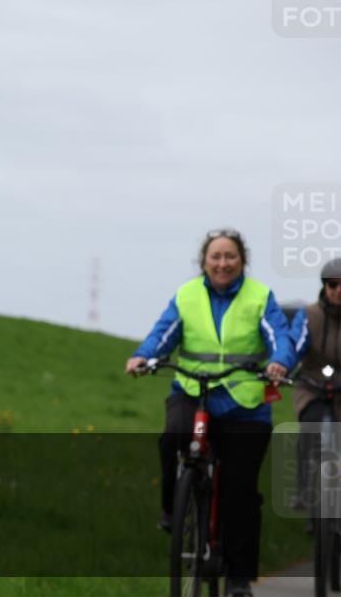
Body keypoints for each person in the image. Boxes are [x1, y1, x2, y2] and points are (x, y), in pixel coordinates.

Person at [125, 229, 295, 597]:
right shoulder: (186, 296)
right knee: (172, 437)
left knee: (240, 491)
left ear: (242, 261)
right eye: (215, 256)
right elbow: (163, 333)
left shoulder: (259, 297)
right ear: (204, 261)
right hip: (193, 390)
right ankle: (174, 508)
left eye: (230, 256)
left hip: (244, 401)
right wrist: (143, 356)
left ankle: (239, 578)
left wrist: (280, 361)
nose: (223, 263)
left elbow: (279, 336)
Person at [290, 258, 341, 528]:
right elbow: (294, 346)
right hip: (312, 385)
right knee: (311, 428)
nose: (338, 290)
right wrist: (281, 365)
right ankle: (305, 492)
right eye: (333, 284)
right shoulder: (309, 315)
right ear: (325, 286)